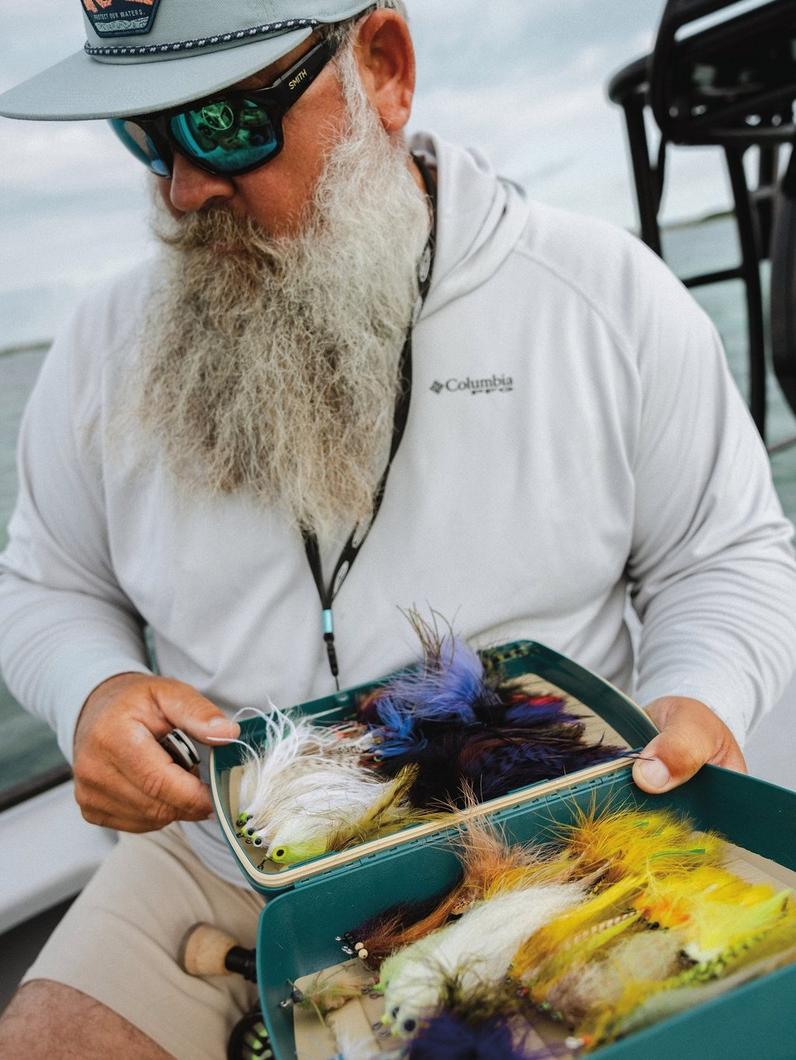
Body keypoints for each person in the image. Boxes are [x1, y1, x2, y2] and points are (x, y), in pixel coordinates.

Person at [0, 1, 794, 1056]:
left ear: (381, 66)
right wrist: (90, 691)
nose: (184, 188)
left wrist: (699, 693)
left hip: (548, 833)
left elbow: (723, 552)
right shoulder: (98, 345)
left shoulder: (606, 296)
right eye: (142, 133)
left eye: (225, 124)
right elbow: (46, 583)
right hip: (211, 853)